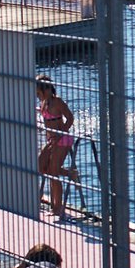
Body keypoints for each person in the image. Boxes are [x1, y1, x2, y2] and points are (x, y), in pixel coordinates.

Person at [34, 75, 77, 220]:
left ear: (46, 89)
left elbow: (70, 118)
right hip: (51, 140)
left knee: (53, 172)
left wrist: (60, 133)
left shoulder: (58, 102)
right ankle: (71, 174)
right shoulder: (43, 103)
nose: (37, 95)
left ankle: (57, 209)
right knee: (41, 166)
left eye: (38, 92)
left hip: (63, 139)